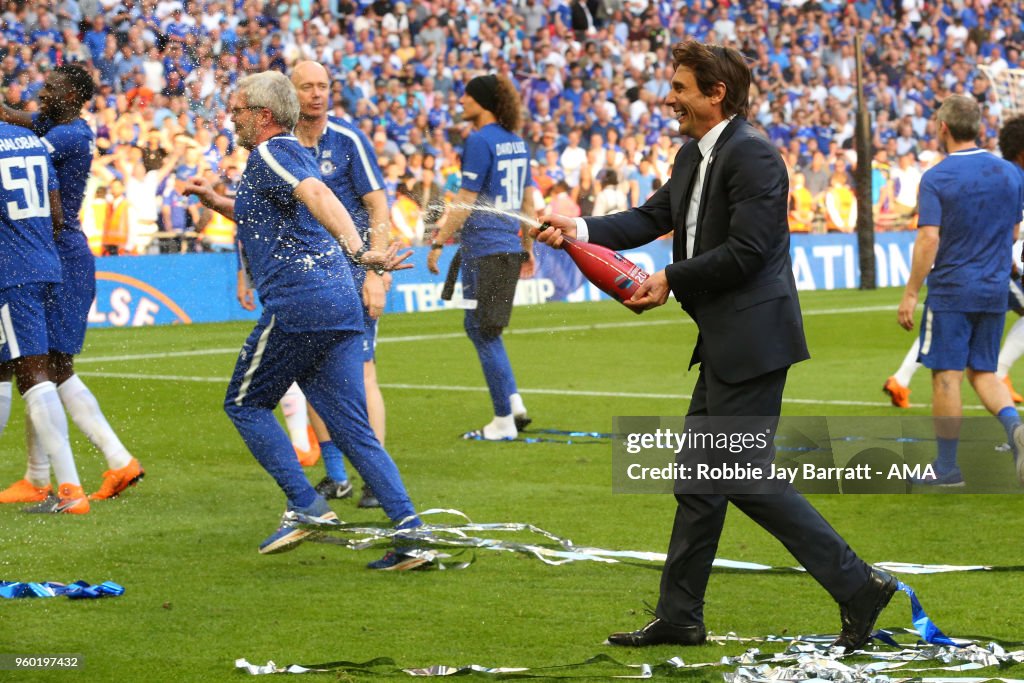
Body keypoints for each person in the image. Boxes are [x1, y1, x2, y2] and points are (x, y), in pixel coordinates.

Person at [535, 40, 895, 650]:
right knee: (699, 483)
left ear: (714, 93)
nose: (668, 98)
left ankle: (859, 583)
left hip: (755, 340)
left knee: (738, 474)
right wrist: (582, 230)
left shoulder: (754, 156)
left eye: (678, 88)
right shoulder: (690, 156)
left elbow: (750, 252)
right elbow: (651, 219)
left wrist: (671, 278)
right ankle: (680, 616)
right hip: (728, 341)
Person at [184, 71, 428, 570]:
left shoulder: (274, 151)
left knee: (245, 405)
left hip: (302, 303)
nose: (231, 117)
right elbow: (274, 215)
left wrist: (362, 250)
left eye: (237, 109)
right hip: (337, 304)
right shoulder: (280, 158)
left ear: (263, 115)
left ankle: (307, 506)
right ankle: (411, 535)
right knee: (353, 429)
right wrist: (219, 204)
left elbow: (318, 195)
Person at [0, 64, 143, 506]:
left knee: (45, 369)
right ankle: (38, 475)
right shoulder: (56, 126)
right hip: (46, 250)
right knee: (26, 366)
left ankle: (112, 462)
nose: (44, 92)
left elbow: (20, 141)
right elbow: (19, 120)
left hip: (54, 253)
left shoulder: (67, 136)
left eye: (55, 88)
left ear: (77, 97)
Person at [897, 95, 1024, 486]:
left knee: (946, 376)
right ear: (979, 128)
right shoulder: (1010, 174)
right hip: (994, 286)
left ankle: (948, 467)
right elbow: (1015, 230)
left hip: (953, 287)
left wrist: (911, 292)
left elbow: (928, 240)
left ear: (943, 128)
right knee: (984, 371)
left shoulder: (937, 177)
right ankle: (1016, 430)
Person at [289, 60, 393, 509]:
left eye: (323, 86)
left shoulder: (349, 140)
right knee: (310, 374)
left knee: (363, 374)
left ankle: (375, 477)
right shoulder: (281, 146)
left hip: (352, 276)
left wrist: (375, 271)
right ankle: (336, 475)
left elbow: (378, 208)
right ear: (289, 94)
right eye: (307, 87)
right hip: (303, 279)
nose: (317, 94)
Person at [426, 74, 536, 441]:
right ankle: (514, 402)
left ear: (483, 102)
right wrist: (528, 247)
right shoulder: (517, 142)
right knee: (488, 329)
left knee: (480, 330)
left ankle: (503, 420)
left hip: (485, 248)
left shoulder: (478, 140)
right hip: (507, 245)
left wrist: (440, 240)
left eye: (467, 97)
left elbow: (467, 199)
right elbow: (527, 201)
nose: (461, 102)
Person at [0, 117, 89, 514]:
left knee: (33, 376)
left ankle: (70, 491)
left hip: (11, 273)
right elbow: (56, 216)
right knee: (6, 370)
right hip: (45, 264)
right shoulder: (31, 141)